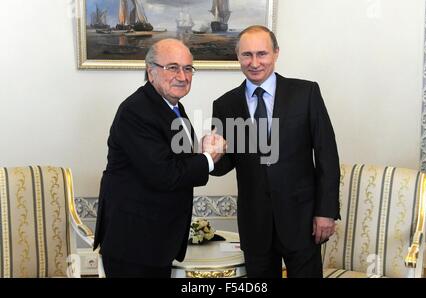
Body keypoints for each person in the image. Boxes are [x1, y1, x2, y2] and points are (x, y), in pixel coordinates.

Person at [210, 26, 340, 278]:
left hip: (302, 220)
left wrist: (326, 211)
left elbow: (327, 155)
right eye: (247, 54)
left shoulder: (306, 93)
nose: (255, 62)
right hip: (255, 224)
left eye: (262, 54)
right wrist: (209, 154)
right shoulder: (225, 104)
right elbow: (225, 164)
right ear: (238, 56)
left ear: (276, 53)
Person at [93, 39, 226, 278]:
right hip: (134, 245)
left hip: (157, 242)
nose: (183, 76)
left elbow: (176, 161)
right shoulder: (136, 111)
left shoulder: (173, 107)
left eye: (188, 68)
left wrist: (203, 151)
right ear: (150, 71)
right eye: (173, 67)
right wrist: (208, 158)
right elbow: (165, 175)